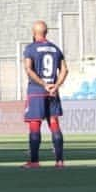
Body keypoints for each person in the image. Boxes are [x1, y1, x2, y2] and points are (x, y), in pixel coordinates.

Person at [22, 21, 68, 169]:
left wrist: (43, 84)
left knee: (35, 125)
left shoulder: (30, 48)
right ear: (46, 32)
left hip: (36, 91)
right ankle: (59, 161)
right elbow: (65, 70)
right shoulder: (55, 49)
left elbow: (29, 70)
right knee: (54, 124)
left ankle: (34, 161)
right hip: (53, 92)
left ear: (34, 33)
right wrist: (56, 85)